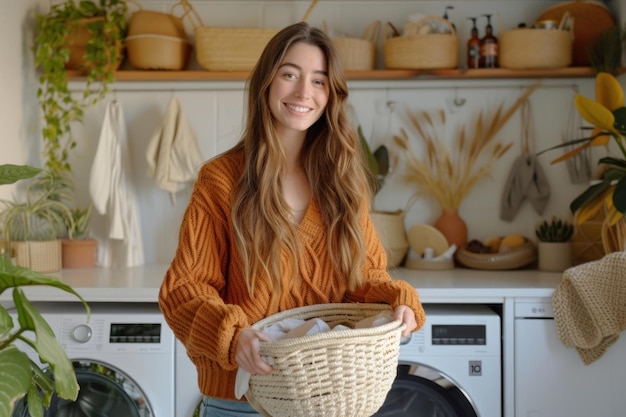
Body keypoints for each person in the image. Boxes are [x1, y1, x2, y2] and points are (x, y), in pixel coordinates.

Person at [158, 21, 426, 417]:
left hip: (329, 399)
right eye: (290, 75)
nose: (304, 93)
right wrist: (232, 337)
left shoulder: (343, 182)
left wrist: (398, 300)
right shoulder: (222, 180)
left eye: (319, 81)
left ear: (331, 95)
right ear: (266, 82)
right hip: (243, 399)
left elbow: (365, 282)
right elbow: (184, 290)